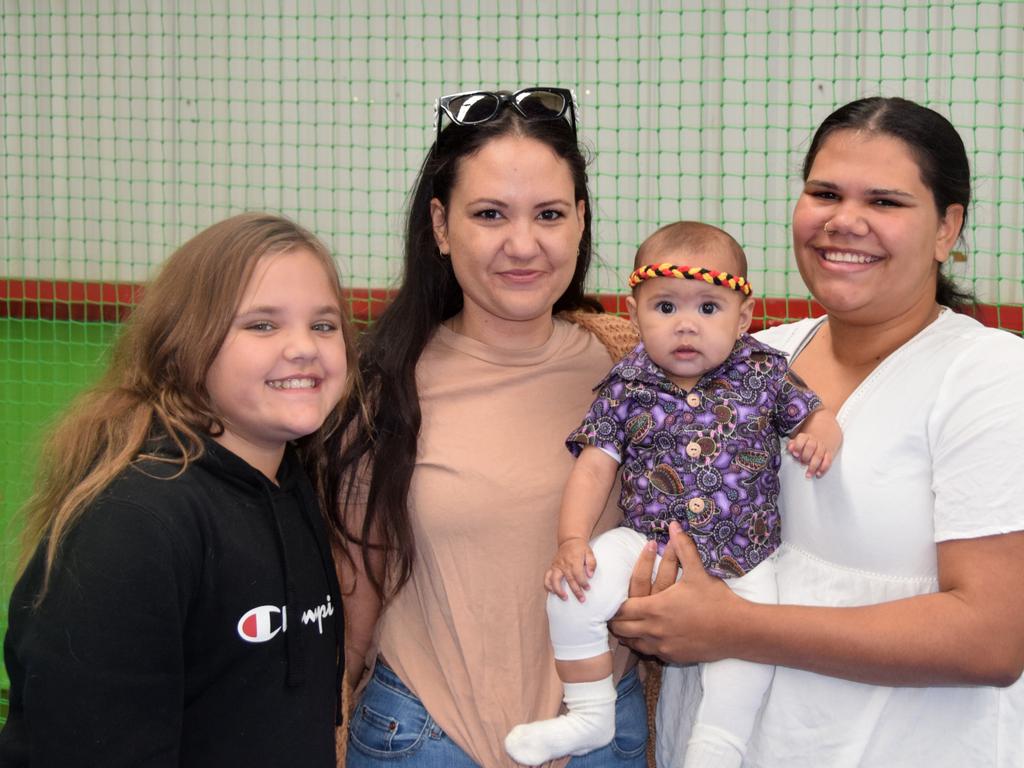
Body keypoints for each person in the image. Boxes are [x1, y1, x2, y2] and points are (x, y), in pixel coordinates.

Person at [611, 97, 1024, 767]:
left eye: (885, 202)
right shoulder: (748, 360)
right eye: (825, 192)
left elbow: (990, 638)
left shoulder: (990, 377)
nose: (845, 221)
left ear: (948, 229)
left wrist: (732, 626)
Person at [329, 88, 648, 768]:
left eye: (550, 214)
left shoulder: (634, 366)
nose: (523, 243)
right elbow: (357, 579)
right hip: (422, 736)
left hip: (600, 736)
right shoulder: (377, 382)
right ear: (441, 227)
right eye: (490, 214)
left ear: (581, 221)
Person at [0, 213, 357, 766]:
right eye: (262, 325)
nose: (303, 347)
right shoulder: (134, 523)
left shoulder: (291, 484)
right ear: (185, 346)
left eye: (324, 324)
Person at [505, 222, 841, 768]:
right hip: (647, 546)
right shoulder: (625, 385)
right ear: (635, 315)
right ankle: (589, 712)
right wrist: (571, 540)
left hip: (745, 558)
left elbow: (814, 415)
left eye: (709, 308)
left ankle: (716, 748)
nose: (686, 325)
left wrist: (821, 432)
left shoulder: (765, 373)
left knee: (749, 652)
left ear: (744, 316)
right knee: (572, 590)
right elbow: (593, 469)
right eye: (665, 308)